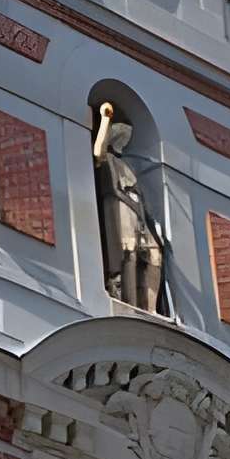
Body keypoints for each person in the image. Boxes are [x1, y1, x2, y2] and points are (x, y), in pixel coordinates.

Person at [92, 100, 164, 310]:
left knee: (154, 253)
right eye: (121, 131)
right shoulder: (107, 160)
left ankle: (148, 309)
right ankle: (129, 304)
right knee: (128, 251)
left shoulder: (125, 163)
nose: (125, 137)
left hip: (136, 211)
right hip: (119, 206)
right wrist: (106, 119)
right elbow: (98, 152)